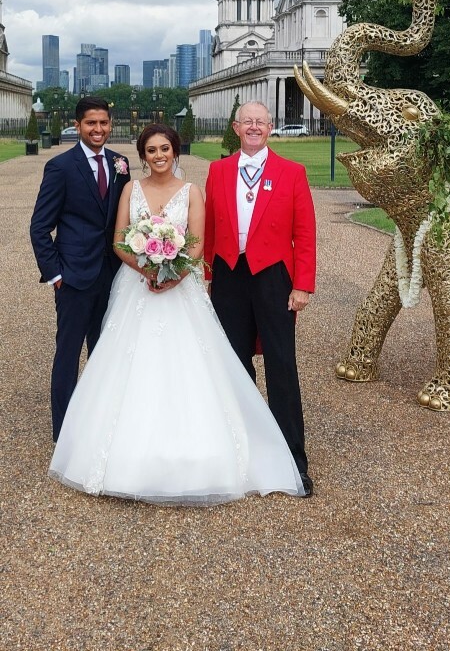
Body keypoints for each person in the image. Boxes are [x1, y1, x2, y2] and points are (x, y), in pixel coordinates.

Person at [49, 124, 305, 505]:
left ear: (175, 151)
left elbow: (198, 243)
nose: (158, 155)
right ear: (142, 155)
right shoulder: (130, 190)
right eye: (150, 150)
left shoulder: (192, 192)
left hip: (179, 287)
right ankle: (123, 455)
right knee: (125, 364)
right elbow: (119, 239)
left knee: (192, 366)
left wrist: (172, 273)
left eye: (164, 148)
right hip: (135, 286)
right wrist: (146, 267)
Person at [204, 101, 316, 496]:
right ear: (236, 127)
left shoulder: (292, 172)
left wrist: (302, 284)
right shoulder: (217, 171)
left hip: (274, 278)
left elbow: (304, 234)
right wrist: (208, 274)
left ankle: (292, 460)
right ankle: (240, 451)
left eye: (260, 122)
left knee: (282, 367)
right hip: (229, 276)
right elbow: (210, 226)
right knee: (233, 365)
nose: (253, 127)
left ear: (271, 128)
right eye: (247, 121)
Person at [30, 96, 131, 441]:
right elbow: (39, 227)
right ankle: (64, 431)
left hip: (114, 275)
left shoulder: (121, 163)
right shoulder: (60, 167)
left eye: (103, 123)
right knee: (69, 353)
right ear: (78, 126)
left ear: (110, 124)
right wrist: (56, 275)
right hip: (73, 277)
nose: (98, 129)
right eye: (91, 123)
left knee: (106, 351)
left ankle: (101, 423)